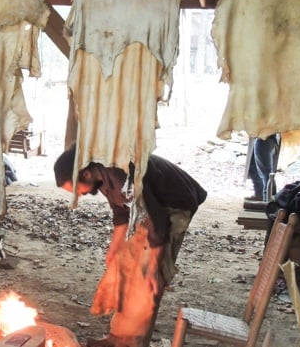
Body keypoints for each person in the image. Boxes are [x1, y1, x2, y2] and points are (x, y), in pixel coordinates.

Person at [54, 145, 207, 347]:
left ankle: (132, 343)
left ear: (86, 173)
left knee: (147, 282)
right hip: (154, 211)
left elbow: (157, 225)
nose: (78, 195)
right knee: (123, 267)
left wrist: (153, 269)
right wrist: (114, 249)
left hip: (175, 204)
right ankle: (117, 338)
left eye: (76, 189)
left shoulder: (121, 174)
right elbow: (121, 212)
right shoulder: (102, 175)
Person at [246, 133, 281, 202]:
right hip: (264, 138)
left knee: (267, 173)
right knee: (260, 169)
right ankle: (263, 196)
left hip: (264, 138)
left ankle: (268, 200)